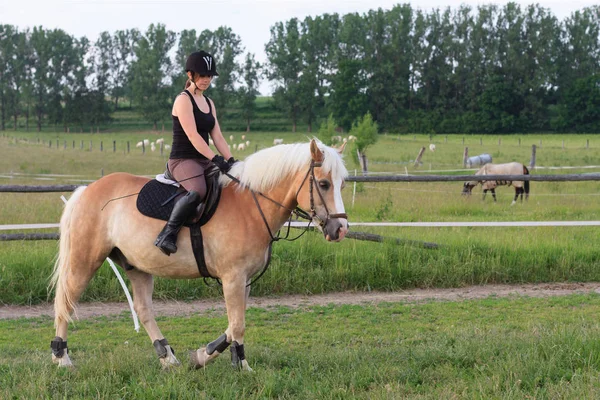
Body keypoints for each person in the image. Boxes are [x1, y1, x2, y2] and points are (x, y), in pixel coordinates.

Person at [154, 50, 235, 256]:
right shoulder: (183, 100)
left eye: (209, 76)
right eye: (202, 75)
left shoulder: (209, 103)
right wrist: (215, 158)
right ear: (190, 75)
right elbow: (192, 136)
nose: (206, 79)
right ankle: (167, 234)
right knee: (198, 190)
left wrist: (231, 160)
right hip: (182, 160)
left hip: (204, 159)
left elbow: (217, 136)